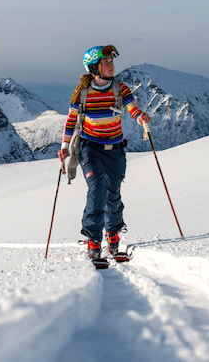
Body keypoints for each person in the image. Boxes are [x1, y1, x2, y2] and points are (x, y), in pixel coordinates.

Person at [58, 45, 151, 260]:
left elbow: (132, 107)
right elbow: (71, 120)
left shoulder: (121, 88)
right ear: (94, 67)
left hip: (115, 150)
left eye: (111, 61)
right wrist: (64, 147)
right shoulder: (82, 92)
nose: (111, 65)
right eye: (106, 62)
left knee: (113, 193)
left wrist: (140, 117)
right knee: (97, 190)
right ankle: (93, 239)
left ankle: (113, 233)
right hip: (90, 149)